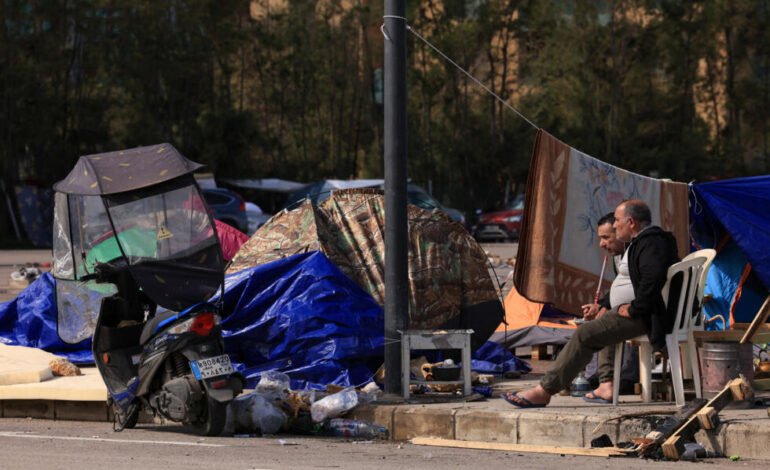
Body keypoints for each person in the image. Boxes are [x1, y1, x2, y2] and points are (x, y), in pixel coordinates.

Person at [501, 199, 679, 407]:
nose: (615, 226)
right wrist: (605, 304)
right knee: (600, 323)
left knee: (585, 334)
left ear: (631, 222)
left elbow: (653, 278)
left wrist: (634, 307)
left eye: (617, 222)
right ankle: (605, 385)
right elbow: (632, 283)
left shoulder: (651, 243)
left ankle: (544, 390)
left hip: (649, 315)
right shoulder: (643, 243)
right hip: (643, 311)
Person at [581, 212, 633, 403]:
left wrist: (611, 309)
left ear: (621, 231)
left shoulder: (637, 253)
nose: (602, 244)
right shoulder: (617, 257)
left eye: (606, 238)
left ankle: (607, 383)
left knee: (606, 323)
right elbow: (621, 289)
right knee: (598, 319)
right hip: (628, 309)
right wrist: (600, 305)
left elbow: (640, 289)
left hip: (643, 313)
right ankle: (595, 379)